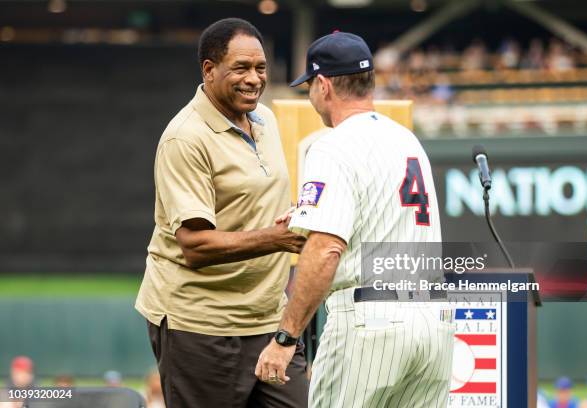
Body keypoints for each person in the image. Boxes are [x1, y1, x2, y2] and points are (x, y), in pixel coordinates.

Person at [255, 31, 454, 407]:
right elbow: (377, 210)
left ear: (325, 85)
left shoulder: (332, 144)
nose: (311, 95)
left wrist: (286, 338)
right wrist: (307, 215)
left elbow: (327, 248)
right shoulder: (407, 140)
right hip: (433, 318)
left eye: (310, 85)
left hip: (371, 318)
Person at [134, 17, 308, 408]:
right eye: (241, 68)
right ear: (209, 70)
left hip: (268, 320)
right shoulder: (185, 137)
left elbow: (262, 205)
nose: (254, 79)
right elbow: (194, 246)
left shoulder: (267, 120)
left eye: (261, 68)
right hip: (201, 326)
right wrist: (278, 239)